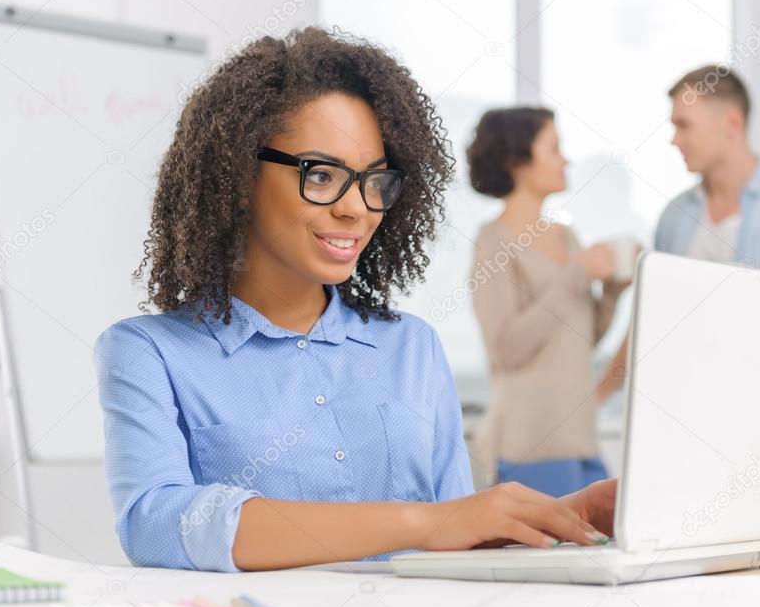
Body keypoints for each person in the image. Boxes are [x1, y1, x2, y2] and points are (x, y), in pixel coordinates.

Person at [93, 28, 616, 573]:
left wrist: (559, 519)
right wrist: (425, 523)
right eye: (321, 175)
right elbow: (154, 523)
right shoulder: (148, 353)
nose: (357, 210)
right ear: (238, 174)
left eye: (374, 182)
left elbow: (457, 544)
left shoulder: (412, 347)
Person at [597, 64, 760, 554]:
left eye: (683, 125)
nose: (673, 139)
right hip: (682, 429)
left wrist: (738, 320)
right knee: (679, 566)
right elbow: (648, 325)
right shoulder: (676, 218)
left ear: (730, 124)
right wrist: (592, 400)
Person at [466, 107, 628, 497]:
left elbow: (581, 339)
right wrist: (576, 276)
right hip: (530, 447)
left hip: (581, 441)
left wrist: (612, 292)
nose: (566, 159)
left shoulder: (566, 237)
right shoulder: (493, 242)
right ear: (517, 161)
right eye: (554, 149)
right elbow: (506, 349)